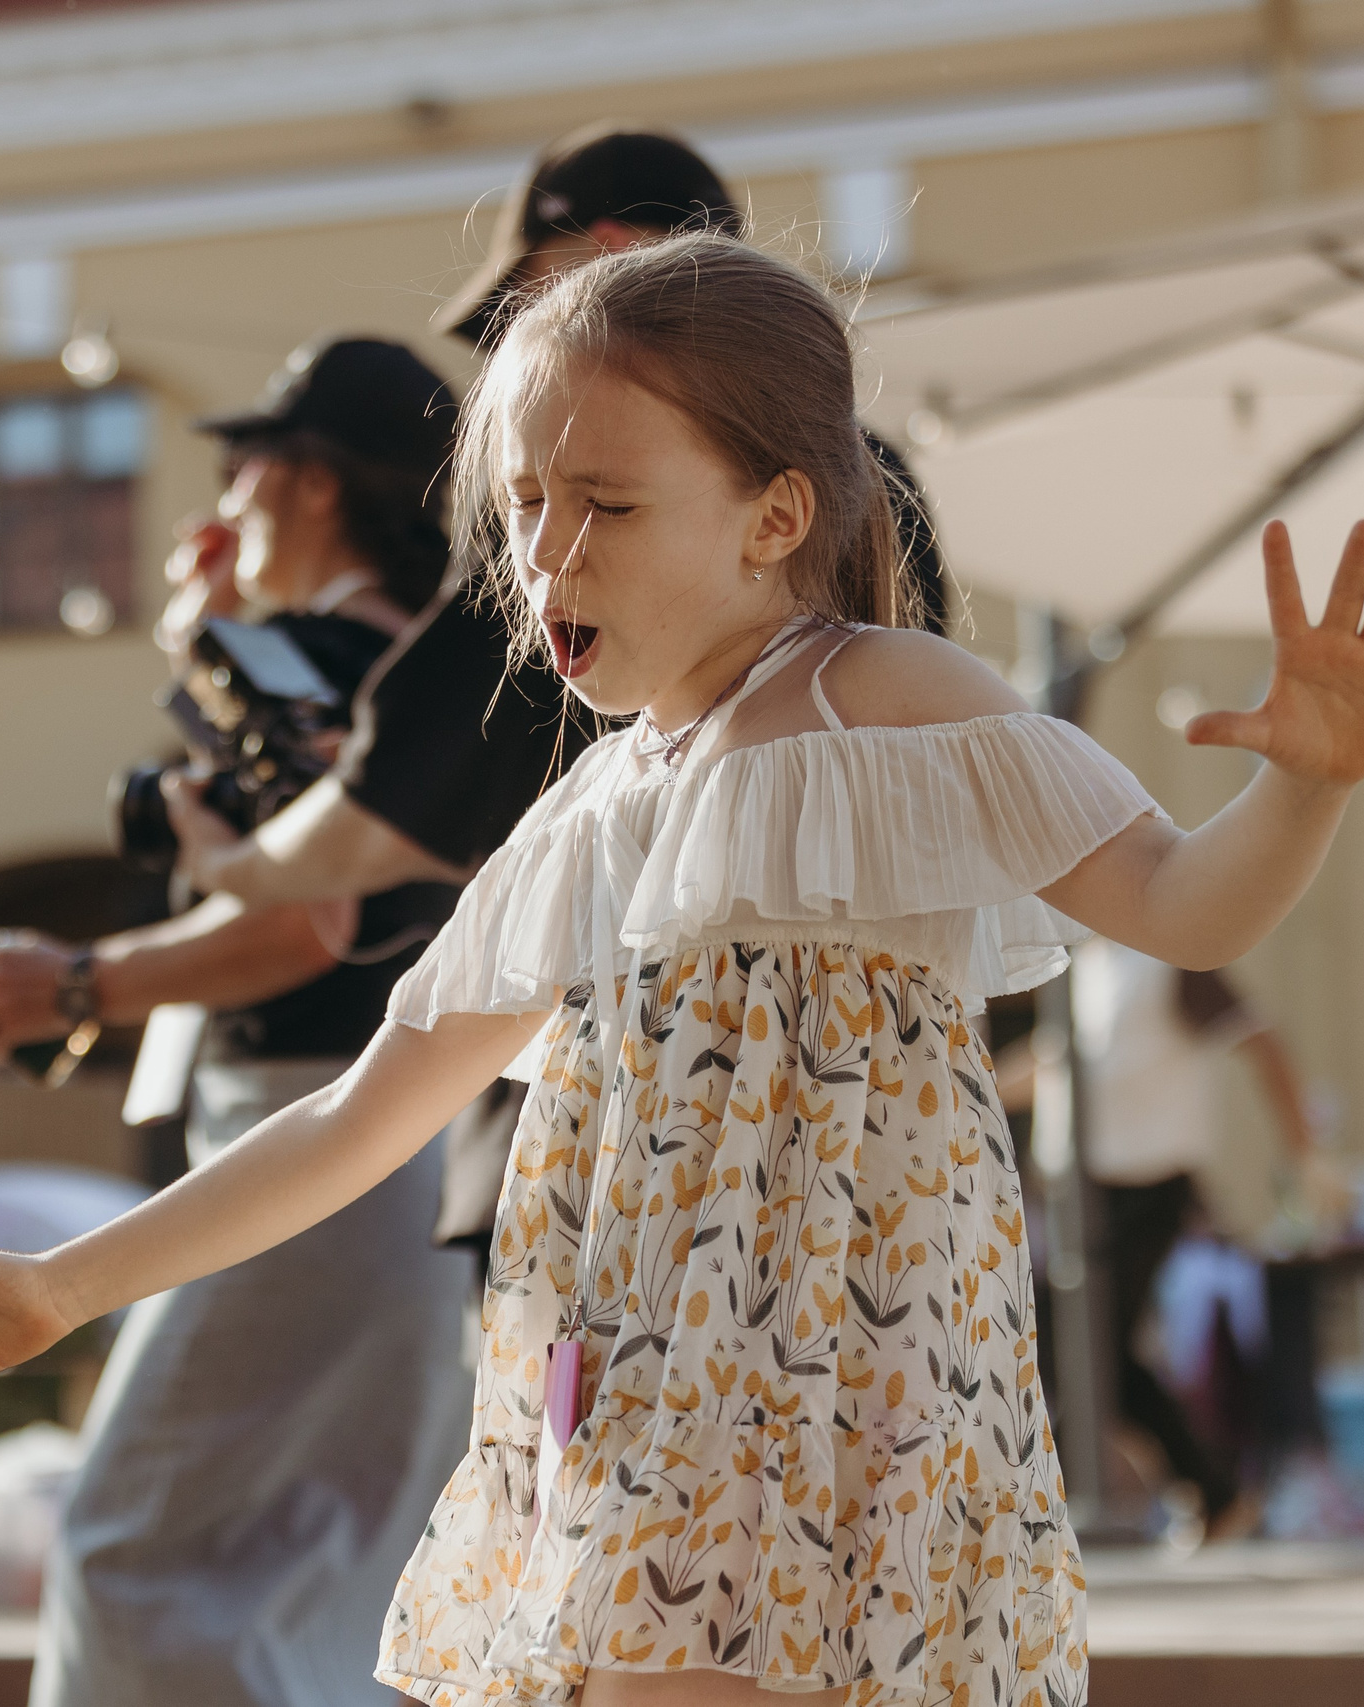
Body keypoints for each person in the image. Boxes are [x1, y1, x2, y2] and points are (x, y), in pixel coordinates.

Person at [0, 234, 1364, 1705]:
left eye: (605, 504)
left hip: (862, 1381)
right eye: (524, 507)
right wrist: (65, 1285)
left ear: (774, 514)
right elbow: (354, 1120)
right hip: (635, 1401)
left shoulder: (884, 698)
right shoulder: (588, 818)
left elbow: (1184, 902)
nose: (550, 557)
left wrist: (1305, 783)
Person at [170, 123, 947, 1255]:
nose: (546, 549)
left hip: (616, 1150)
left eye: (530, 304)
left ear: (606, 259)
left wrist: (232, 863)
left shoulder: (579, 537)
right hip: (874, 1144)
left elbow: (397, 792)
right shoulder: (870, 487)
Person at [0, 338, 481, 1707]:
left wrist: (75, 981)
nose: (221, 494)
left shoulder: (302, 656)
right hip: (430, 1152)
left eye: (245, 462)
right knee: (346, 1579)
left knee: (125, 1553)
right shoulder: (443, 679)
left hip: (309, 1139)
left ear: (311, 483)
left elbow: (302, 921)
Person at [1000, 941, 1317, 1534]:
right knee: (1086, 1347)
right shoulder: (1084, 968)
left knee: (1085, 1345)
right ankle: (1212, 1489)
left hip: (1144, 1187)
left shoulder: (1171, 958)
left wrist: (1308, 1156)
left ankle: (1041, 1507)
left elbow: (1265, 1044)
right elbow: (1054, 1066)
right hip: (1080, 1194)